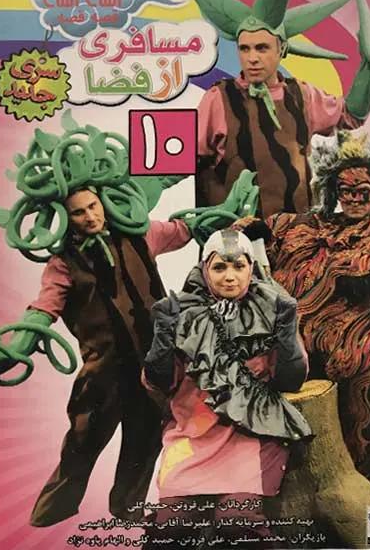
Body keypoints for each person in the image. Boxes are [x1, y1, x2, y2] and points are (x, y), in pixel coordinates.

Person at [0, 112, 259, 527]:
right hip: (103, 372)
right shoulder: (63, 264)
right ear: (64, 216)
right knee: (84, 439)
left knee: (145, 438)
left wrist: (223, 211)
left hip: (156, 364)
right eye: (78, 212)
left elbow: (185, 228)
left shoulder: (141, 233)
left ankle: (127, 508)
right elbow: (43, 310)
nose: (90, 216)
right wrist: (14, 348)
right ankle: (52, 511)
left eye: (92, 206)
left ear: (103, 200)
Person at [240, 131, 370, 501]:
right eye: (346, 191)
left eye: (363, 191)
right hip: (304, 360)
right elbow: (282, 226)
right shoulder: (316, 226)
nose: (354, 198)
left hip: (368, 362)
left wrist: (361, 267)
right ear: (334, 192)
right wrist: (257, 228)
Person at [178, 0, 370, 217]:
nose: (252, 58)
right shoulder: (219, 98)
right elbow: (184, 156)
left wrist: (368, 73)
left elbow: (350, 115)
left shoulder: (302, 95)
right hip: (234, 234)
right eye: (245, 48)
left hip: (297, 230)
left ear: (281, 49)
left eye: (262, 48)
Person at [142, 229, 311, 548]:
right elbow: (160, 383)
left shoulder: (270, 308)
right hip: (191, 435)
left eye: (239, 266)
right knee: (169, 529)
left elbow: (291, 381)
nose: (230, 276)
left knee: (236, 523)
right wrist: (162, 336)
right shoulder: (183, 312)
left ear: (251, 268)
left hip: (251, 435)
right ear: (205, 269)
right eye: (220, 267)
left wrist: (287, 331)